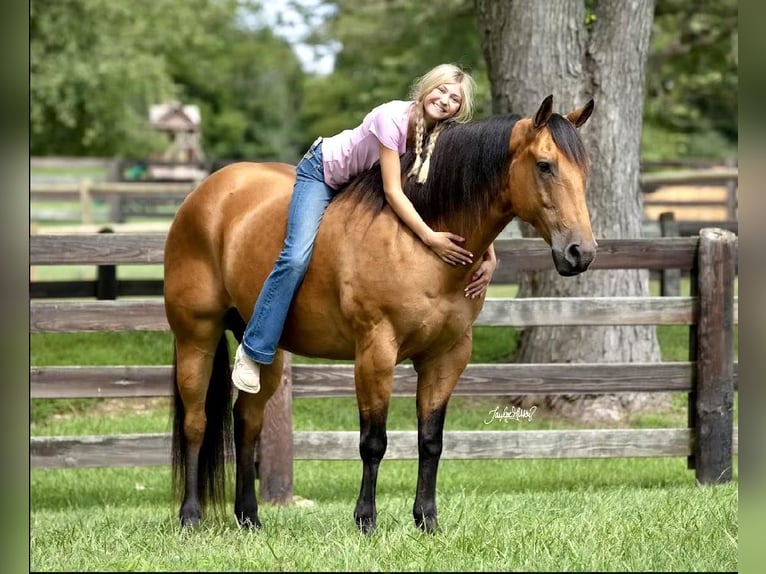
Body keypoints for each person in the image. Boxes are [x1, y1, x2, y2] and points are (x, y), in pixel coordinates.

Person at [232, 63, 497, 394]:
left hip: (361, 188)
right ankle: (253, 349)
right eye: (440, 89)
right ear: (425, 89)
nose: (444, 100)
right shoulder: (392, 119)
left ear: (460, 108)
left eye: (454, 98)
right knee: (296, 256)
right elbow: (393, 192)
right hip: (324, 175)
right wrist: (429, 237)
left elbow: (458, 202)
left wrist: (489, 255)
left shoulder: (443, 138)